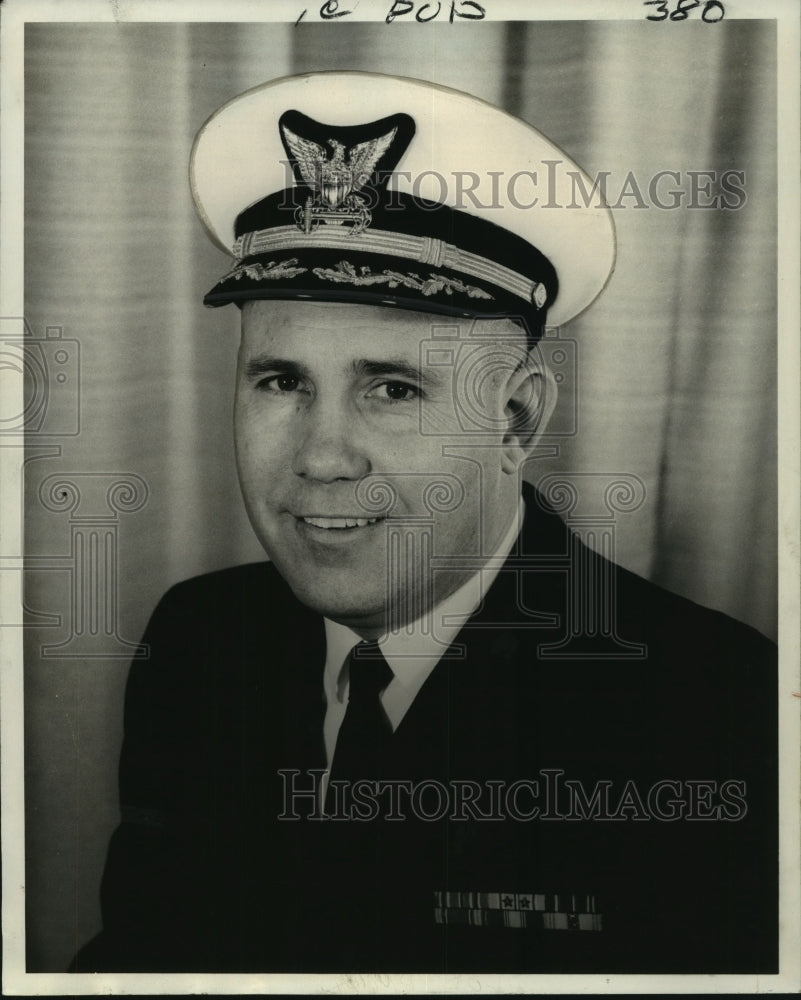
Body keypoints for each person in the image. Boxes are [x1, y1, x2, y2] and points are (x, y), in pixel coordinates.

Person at [71, 72, 777, 974]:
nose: (322, 458)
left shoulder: (716, 711)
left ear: (516, 420)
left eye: (395, 389)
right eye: (281, 381)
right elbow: (143, 955)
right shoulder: (202, 638)